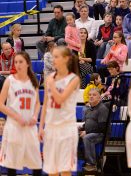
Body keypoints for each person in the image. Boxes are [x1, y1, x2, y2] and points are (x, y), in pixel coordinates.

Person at [39, 46, 80, 175]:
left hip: (66, 128)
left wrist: (51, 84)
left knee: (65, 170)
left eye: (56, 57)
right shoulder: (50, 77)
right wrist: (41, 127)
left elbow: (60, 99)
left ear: (66, 59)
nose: (53, 60)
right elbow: (45, 104)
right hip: (51, 128)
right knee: (52, 171)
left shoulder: (74, 79)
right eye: (53, 57)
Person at [0, 51, 42, 175]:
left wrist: (35, 116)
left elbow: (37, 103)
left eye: (21, 62)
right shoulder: (10, 80)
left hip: (29, 125)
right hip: (14, 125)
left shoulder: (33, 81)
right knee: (12, 163)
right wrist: (17, 117)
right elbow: (1, 104)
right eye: (16, 62)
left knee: (36, 162)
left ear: (28, 63)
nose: (18, 64)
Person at [79, 88, 109, 171]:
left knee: (87, 138)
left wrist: (87, 132)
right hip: (90, 132)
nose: (91, 96)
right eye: (90, 95)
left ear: (99, 98)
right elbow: (87, 124)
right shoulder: (87, 109)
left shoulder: (102, 109)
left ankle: (92, 164)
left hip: (101, 134)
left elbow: (102, 127)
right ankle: (79, 161)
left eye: (94, 95)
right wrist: (81, 128)